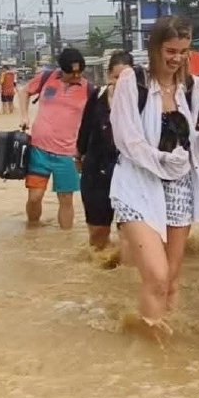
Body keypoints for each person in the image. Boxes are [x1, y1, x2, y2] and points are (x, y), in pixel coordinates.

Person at [109, 16, 199, 338]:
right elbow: (127, 140)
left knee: (170, 280)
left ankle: (164, 352)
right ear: (155, 48)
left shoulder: (193, 87)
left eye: (183, 51)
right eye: (170, 50)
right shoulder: (133, 82)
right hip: (137, 186)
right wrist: (162, 161)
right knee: (156, 276)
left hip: (181, 186)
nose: (176, 59)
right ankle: (145, 348)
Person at [18, 48, 93, 229]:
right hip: (38, 149)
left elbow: (94, 120)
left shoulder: (89, 90)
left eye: (79, 71)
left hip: (67, 155)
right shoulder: (46, 78)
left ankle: (65, 241)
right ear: (61, 69)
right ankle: (32, 230)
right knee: (34, 197)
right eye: (71, 72)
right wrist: (24, 116)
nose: (76, 75)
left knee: (66, 199)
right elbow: (24, 92)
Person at [75, 51, 133, 249]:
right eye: (116, 77)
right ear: (109, 75)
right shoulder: (97, 97)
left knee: (129, 233)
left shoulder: (143, 100)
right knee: (98, 234)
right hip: (97, 172)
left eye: (126, 78)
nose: (120, 82)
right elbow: (85, 128)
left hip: (130, 174)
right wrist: (78, 154)